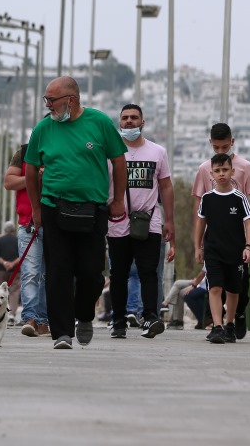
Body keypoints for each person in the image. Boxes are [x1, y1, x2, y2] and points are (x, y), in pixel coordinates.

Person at [24, 77, 127, 350]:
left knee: (91, 272)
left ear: (71, 99)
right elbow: (31, 169)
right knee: (57, 271)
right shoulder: (43, 129)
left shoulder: (99, 122)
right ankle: (61, 332)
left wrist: (118, 200)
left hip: (93, 208)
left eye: (52, 100)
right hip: (53, 206)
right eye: (46, 99)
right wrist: (36, 208)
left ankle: (84, 315)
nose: (48, 105)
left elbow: (118, 160)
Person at [107, 104, 176, 339]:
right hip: (117, 223)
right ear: (119, 122)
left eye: (134, 118)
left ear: (142, 122)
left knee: (149, 272)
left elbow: (166, 186)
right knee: (119, 274)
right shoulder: (110, 152)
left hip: (149, 222)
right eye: (125, 118)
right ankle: (118, 321)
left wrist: (170, 220)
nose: (129, 122)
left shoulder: (157, 152)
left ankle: (150, 317)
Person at [192, 122, 250, 339]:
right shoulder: (205, 169)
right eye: (217, 148)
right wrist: (198, 242)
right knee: (215, 285)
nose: (221, 152)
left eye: (225, 147)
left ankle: (236, 315)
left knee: (238, 285)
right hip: (214, 238)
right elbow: (199, 204)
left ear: (232, 142)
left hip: (238, 238)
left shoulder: (245, 167)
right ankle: (218, 325)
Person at [5, 143, 49, 337]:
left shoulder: (67, 150)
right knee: (31, 273)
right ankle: (30, 317)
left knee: (51, 275)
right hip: (28, 222)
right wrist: (33, 176)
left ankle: (44, 319)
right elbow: (9, 182)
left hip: (59, 222)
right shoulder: (24, 152)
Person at [0, 221, 21, 325]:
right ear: (14, 229)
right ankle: (12, 315)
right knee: (14, 292)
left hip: (1, 270)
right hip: (16, 270)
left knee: (0, 292)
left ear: (4, 230)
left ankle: (1, 314)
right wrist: (12, 264)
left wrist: (5, 263)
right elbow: (21, 255)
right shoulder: (18, 240)